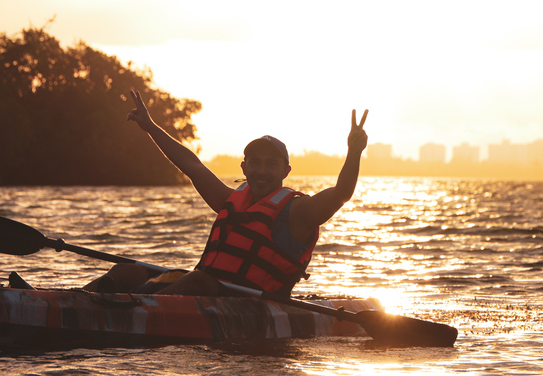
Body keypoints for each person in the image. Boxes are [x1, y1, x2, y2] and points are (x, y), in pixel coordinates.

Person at [84, 89, 368, 297]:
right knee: (127, 270)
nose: (261, 171)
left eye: (271, 164)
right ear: (244, 168)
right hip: (199, 293)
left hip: (248, 303)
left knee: (201, 281)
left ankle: (132, 308)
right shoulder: (229, 201)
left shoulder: (298, 212)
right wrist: (150, 128)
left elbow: (341, 193)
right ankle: (69, 299)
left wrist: (354, 151)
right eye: (255, 163)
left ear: (286, 171)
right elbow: (190, 163)